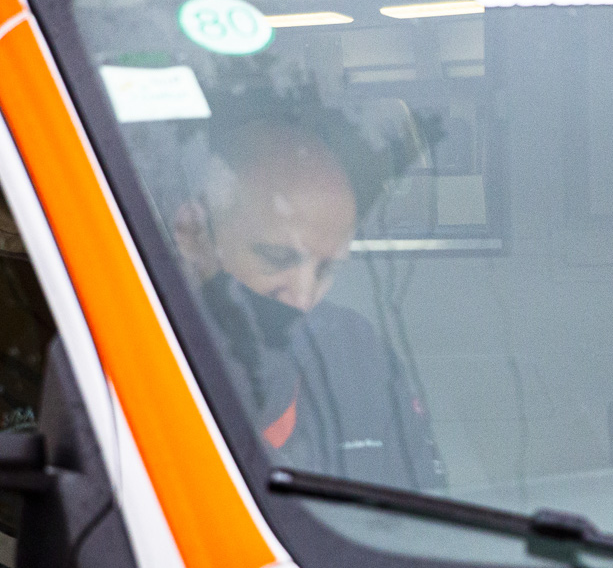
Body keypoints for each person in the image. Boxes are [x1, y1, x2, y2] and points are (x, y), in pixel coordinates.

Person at [172, 119, 445, 489]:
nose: (303, 297)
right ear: (194, 235)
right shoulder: (137, 348)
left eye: (326, 269)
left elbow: (421, 497)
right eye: (278, 258)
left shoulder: (358, 353)